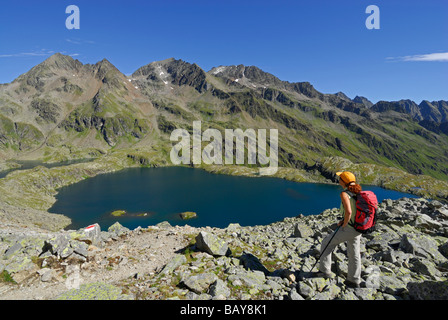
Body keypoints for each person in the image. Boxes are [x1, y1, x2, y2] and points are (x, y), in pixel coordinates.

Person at [317, 171, 362, 288]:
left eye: (340, 178)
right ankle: (354, 280)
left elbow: (349, 211)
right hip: (358, 227)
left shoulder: (345, 193)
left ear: (344, 181)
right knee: (354, 253)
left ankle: (324, 271)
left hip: (350, 228)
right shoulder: (358, 192)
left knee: (327, 242)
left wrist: (344, 224)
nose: (338, 180)